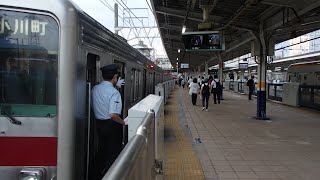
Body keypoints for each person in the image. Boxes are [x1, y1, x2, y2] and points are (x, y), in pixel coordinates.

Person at [91, 64, 125, 179]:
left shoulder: (95, 88)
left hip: (99, 125)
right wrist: (124, 122)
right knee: (112, 154)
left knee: (102, 150)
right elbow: (113, 115)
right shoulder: (114, 93)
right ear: (115, 77)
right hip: (111, 126)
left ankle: (98, 174)